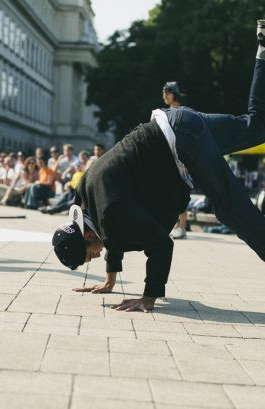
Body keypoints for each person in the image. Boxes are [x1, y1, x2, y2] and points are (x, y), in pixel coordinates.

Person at [52, 21, 265, 313]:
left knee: (228, 206)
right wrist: (111, 279)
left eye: (90, 256)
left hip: (182, 142)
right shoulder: (86, 192)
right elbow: (107, 229)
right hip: (176, 120)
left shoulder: (108, 216)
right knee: (256, 127)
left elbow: (161, 244)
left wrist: (149, 296)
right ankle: (263, 46)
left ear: (87, 236)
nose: (96, 256)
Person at [163, 81, 189, 240]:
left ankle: (182, 227)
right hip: (169, 159)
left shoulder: (183, 113)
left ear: (175, 94)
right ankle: (174, 225)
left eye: (167, 92)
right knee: (170, 194)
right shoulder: (165, 113)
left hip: (181, 160)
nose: (164, 95)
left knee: (181, 195)